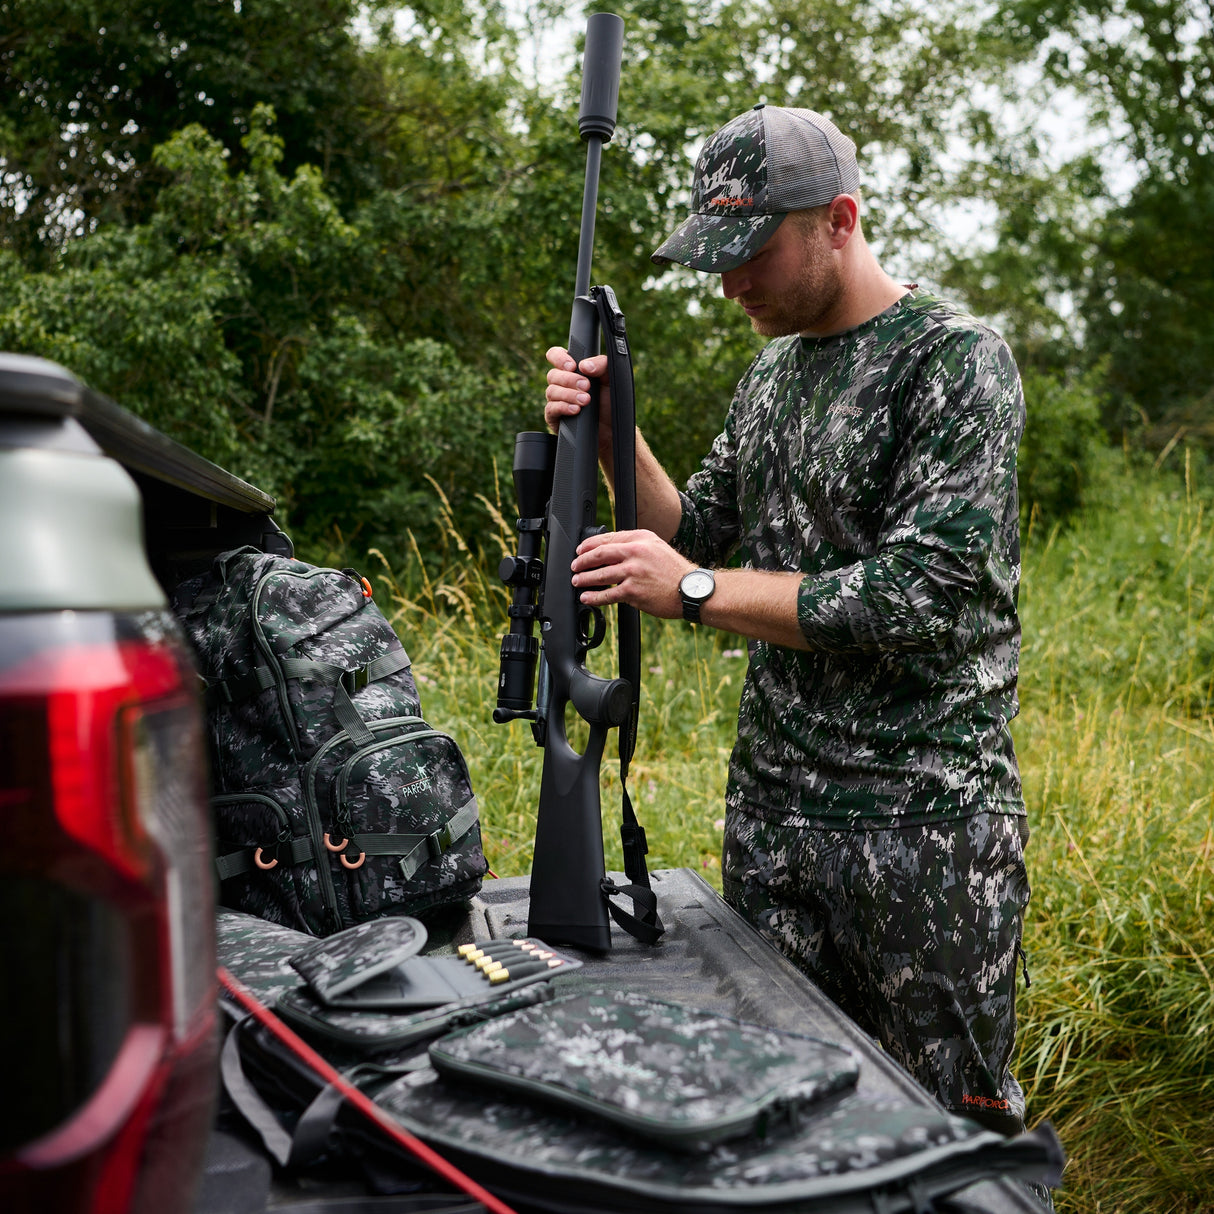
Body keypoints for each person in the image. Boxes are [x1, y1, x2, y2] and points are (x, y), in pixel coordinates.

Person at [544, 103, 1037, 1144]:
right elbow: (704, 526)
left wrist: (689, 590)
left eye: (753, 253)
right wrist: (606, 427)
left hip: (922, 829)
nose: (730, 285)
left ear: (839, 220)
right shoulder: (769, 374)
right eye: (716, 258)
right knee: (783, 1121)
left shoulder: (951, 361)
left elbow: (922, 589)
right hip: (773, 818)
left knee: (942, 1138)